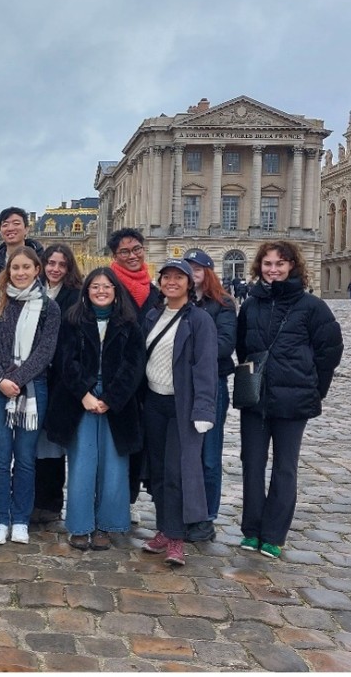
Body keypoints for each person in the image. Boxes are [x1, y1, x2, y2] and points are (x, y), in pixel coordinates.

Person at [236, 241, 343, 559]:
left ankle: (273, 534)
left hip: (293, 399)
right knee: (251, 464)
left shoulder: (312, 307)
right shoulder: (251, 304)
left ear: (293, 266)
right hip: (255, 397)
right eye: (267, 263)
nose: (273, 269)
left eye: (280, 263)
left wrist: (314, 389)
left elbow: (330, 352)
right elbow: (243, 349)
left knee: (285, 467)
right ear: (259, 267)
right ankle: (251, 529)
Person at [45, 267, 143, 552]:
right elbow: (66, 361)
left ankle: (106, 525)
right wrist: (84, 394)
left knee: (114, 465)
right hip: (81, 399)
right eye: (95, 286)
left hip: (117, 402)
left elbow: (133, 366)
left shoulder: (128, 324)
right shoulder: (73, 321)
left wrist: (111, 398)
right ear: (87, 291)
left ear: (116, 291)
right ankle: (80, 525)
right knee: (82, 464)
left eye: (106, 286)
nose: (101, 291)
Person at [0, 245, 60, 545]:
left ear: (37, 270)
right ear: (7, 271)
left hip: (32, 388)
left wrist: (18, 378)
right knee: (0, 458)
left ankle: (21, 518)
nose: (21, 273)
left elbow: (45, 351)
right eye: (16, 268)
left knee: (25, 458)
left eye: (27, 267)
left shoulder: (50, 307)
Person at [138, 259, 218, 567]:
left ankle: (176, 539)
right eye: (167, 277)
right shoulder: (153, 316)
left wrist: (204, 409)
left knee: (176, 472)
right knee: (156, 472)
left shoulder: (198, 320)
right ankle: (163, 527)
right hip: (154, 402)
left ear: (189, 284)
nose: (172, 282)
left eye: (178, 278)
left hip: (182, 406)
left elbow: (205, 367)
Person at [182, 249, 236, 543]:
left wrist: (186, 354)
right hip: (179, 387)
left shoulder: (222, 304)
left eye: (197, 269)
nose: (192, 274)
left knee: (209, 455)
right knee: (184, 453)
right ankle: (186, 511)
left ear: (208, 273)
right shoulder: (177, 301)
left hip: (211, 385)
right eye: (187, 269)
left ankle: (206, 516)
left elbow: (225, 345)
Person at [105, 227, 163, 504]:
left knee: (141, 441)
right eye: (124, 252)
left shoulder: (155, 291)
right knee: (118, 442)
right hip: (117, 377)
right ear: (115, 256)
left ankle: (131, 498)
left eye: (136, 249)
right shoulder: (107, 289)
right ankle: (116, 499)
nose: (132, 256)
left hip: (149, 378)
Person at [32, 244, 84, 526]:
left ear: (69, 268)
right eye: (51, 263)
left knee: (53, 441)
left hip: (61, 377)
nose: (55, 269)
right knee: (33, 442)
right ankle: (35, 498)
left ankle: (51, 502)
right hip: (35, 375)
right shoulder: (32, 291)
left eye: (61, 265)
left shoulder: (75, 296)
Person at [0, 206, 44, 285]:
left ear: (26, 229)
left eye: (16, 224)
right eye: (5, 225)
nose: (10, 228)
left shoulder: (42, 260)